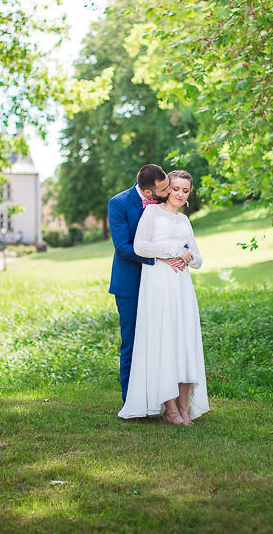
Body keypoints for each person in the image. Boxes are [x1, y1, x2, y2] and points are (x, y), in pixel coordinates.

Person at [118, 170, 209, 425]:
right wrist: (173, 250)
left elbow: (198, 259)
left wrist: (186, 257)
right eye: (176, 188)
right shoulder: (152, 213)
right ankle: (170, 409)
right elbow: (139, 246)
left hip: (181, 286)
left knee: (184, 343)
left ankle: (184, 407)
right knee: (165, 340)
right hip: (158, 283)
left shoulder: (185, 221)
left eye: (185, 191)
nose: (180, 194)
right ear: (167, 189)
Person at [108, 164, 187, 403]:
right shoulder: (118, 203)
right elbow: (123, 248)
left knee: (160, 340)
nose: (169, 192)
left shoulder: (163, 200)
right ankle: (131, 402)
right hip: (130, 283)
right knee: (132, 343)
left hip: (160, 283)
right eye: (164, 189)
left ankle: (159, 398)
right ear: (148, 192)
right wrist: (160, 257)